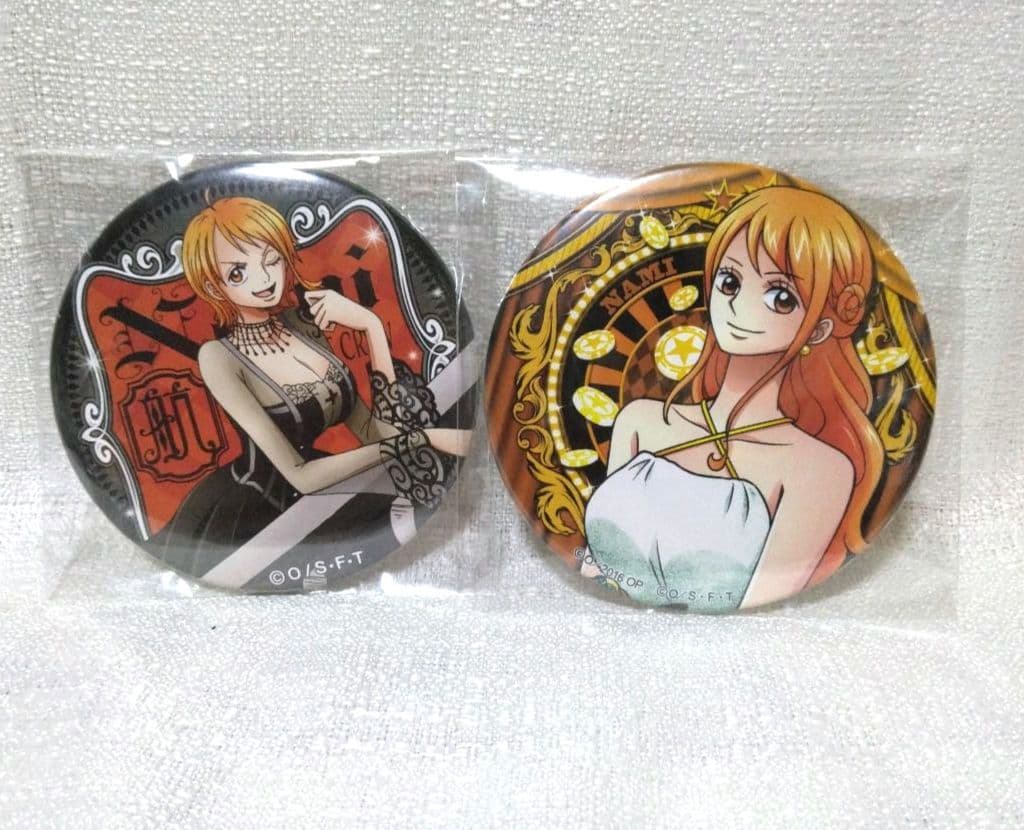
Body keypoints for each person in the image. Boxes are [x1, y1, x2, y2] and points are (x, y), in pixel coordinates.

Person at [582, 186, 884, 611]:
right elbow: (597, 565)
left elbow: (765, 595)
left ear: (819, 330)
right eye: (730, 282)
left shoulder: (821, 470)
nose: (739, 307)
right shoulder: (640, 421)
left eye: (780, 297)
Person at [152, 195, 469, 578]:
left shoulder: (301, 323)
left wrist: (370, 327)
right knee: (394, 512)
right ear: (213, 286)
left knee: (408, 502)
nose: (264, 279)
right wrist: (422, 438)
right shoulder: (219, 357)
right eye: (238, 272)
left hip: (325, 482)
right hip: (261, 510)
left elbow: (373, 434)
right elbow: (301, 475)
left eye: (271, 259)